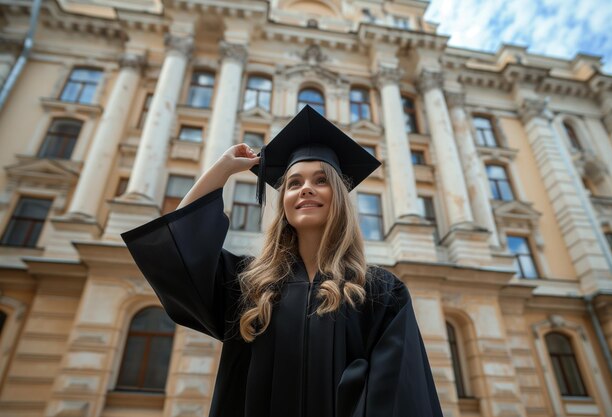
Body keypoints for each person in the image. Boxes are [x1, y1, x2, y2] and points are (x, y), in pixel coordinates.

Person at [121, 105, 443, 417]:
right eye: (294, 183)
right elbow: (179, 254)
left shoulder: (379, 292)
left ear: (340, 199)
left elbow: (398, 394)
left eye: (320, 180)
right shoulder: (249, 285)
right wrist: (221, 169)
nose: (306, 189)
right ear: (284, 202)